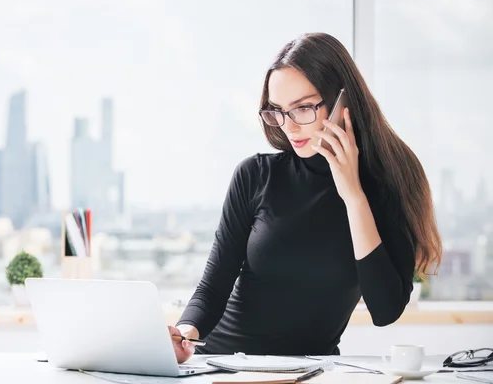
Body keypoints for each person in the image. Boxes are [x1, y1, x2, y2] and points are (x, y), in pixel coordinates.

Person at [168, 32, 442, 362]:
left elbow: (385, 310)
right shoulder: (255, 176)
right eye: (278, 111)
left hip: (310, 373)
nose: (289, 126)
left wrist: (353, 196)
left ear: (343, 101)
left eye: (303, 108)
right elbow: (213, 289)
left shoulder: (389, 185)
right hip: (224, 365)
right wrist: (184, 334)